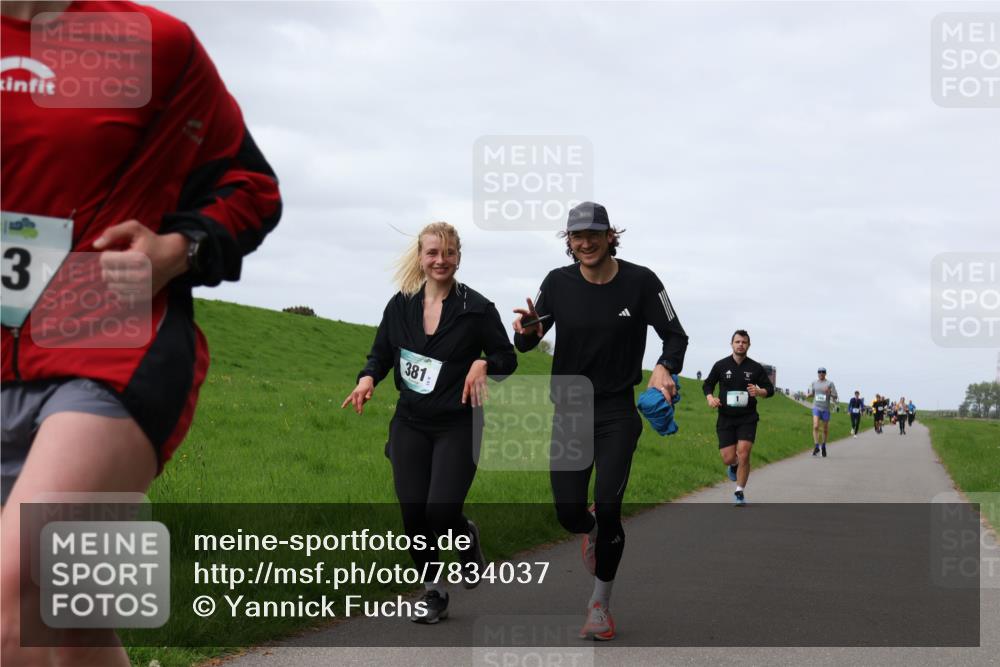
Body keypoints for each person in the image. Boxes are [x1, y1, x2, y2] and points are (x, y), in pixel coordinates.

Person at [1, 3, 281, 665]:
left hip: (108, 340)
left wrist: (178, 249)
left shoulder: (149, 42)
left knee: (17, 602)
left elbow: (252, 186)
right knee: (78, 619)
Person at [512, 201, 688, 641]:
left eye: (594, 233)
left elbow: (675, 334)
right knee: (569, 512)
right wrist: (527, 333)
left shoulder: (641, 282)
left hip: (616, 411)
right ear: (568, 242)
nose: (585, 242)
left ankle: (599, 605)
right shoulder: (558, 282)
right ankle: (589, 527)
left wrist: (665, 365)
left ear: (611, 235)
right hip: (570, 409)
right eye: (577, 236)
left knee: (610, 508)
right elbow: (528, 339)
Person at [342, 222, 517, 624]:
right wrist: (367, 378)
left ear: (458, 257)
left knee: (440, 512)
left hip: (458, 423)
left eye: (449, 253)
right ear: (421, 257)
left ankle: (464, 533)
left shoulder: (477, 308)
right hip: (411, 422)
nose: (441, 260)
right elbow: (380, 353)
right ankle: (434, 590)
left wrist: (483, 362)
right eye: (433, 253)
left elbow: (507, 358)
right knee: (413, 513)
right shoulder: (400, 304)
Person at [702, 330, 774, 506]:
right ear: (732, 344)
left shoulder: (755, 368)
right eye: (737, 341)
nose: (740, 344)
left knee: (743, 453)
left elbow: (769, 390)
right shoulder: (720, 365)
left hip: (747, 417)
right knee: (728, 458)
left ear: (748, 345)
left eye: (744, 342)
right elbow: (708, 384)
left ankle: (739, 491)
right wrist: (711, 398)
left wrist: (759, 391)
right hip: (726, 417)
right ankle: (733, 466)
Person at [810, 368, 838, 457]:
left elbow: (835, 397)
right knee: (815, 426)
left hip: (825, 408)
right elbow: (813, 393)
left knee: (825, 429)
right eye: (819, 372)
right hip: (816, 407)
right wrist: (807, 395)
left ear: (825, 374)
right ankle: (816, 446)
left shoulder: (830, 383)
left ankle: (824, 446)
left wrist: (829, 392)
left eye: (823, 372)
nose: (821, 373)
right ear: (817, 373)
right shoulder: (814, 383)